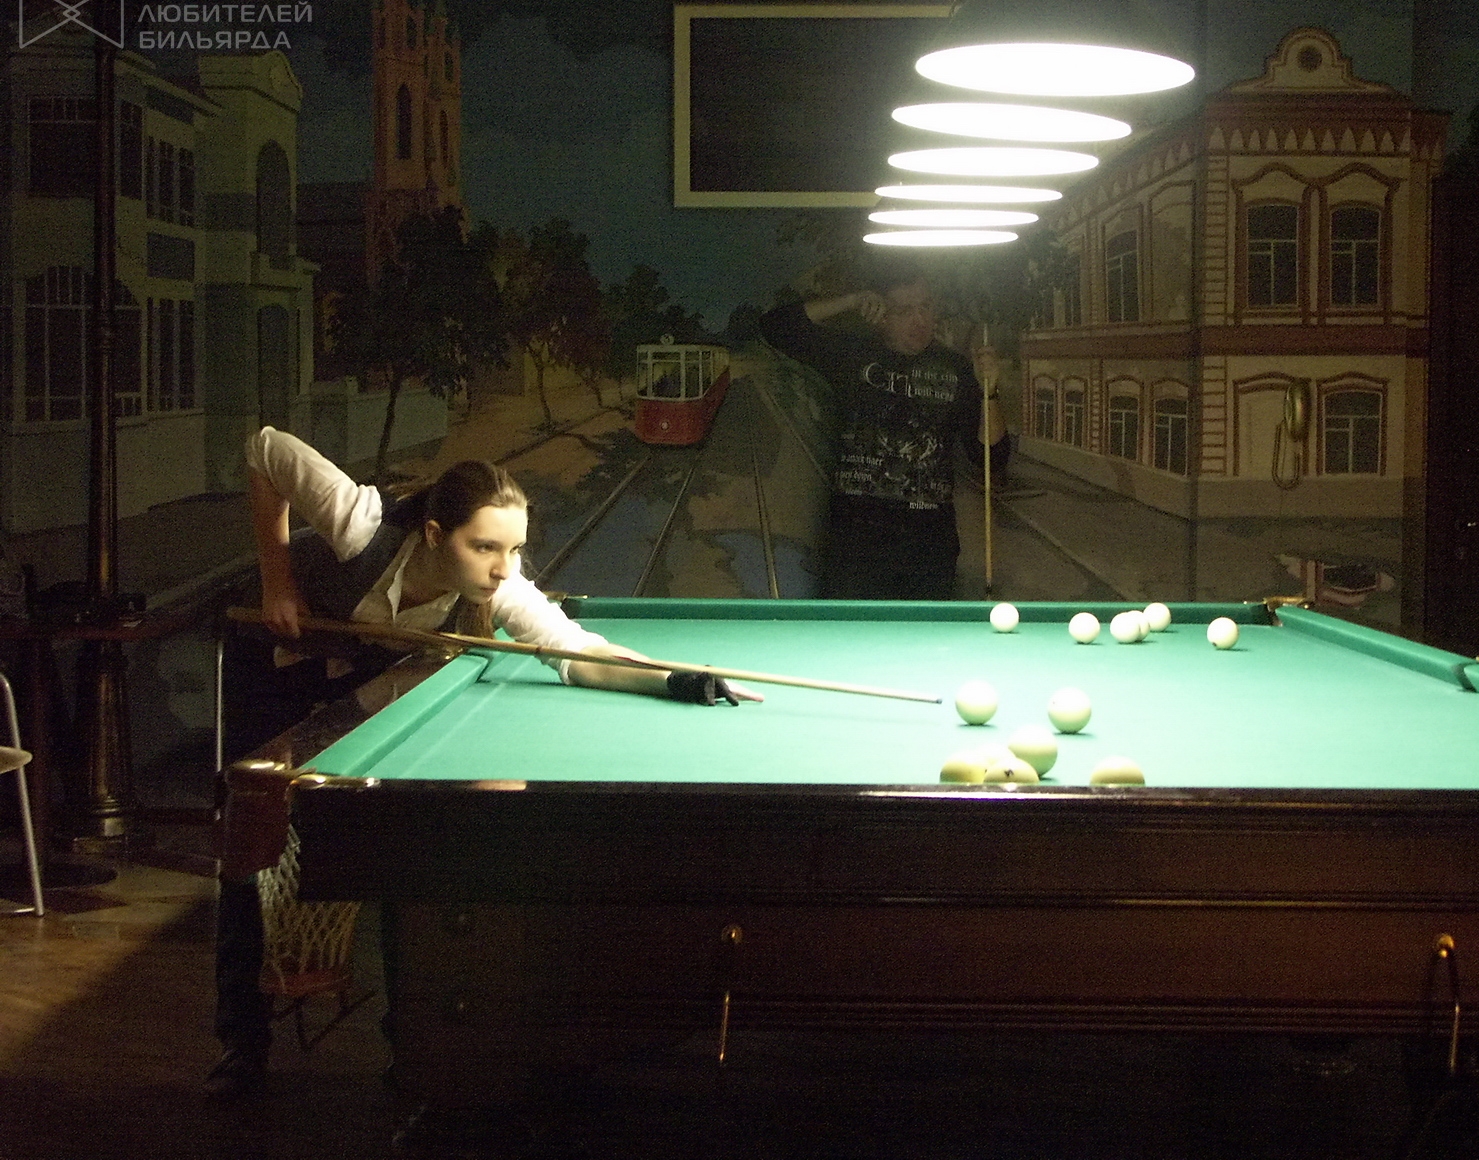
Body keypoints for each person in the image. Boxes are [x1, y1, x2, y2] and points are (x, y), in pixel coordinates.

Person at [206, 426, 758, 1100]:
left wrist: (675, 679)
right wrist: (278, 582)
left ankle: (407, 1048)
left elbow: (579, 653)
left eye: (515, 549)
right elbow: (265, 449)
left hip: (357, 675)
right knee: (252, 840)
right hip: (272, 653)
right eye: (486, 547)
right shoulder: (361, 523)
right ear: (435, 535)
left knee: (391, 844)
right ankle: (241, 1045)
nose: (503, 568)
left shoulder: (502, 591)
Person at [760, 262, 1011, 599]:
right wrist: (851, 300)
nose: (920, 320)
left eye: (925, 306)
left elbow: (991, 457)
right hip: (857, 537)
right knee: (851, 631)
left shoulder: (957, 368)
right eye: (905, 311)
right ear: (880, 316)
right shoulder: (852, 354)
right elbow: (776, 326)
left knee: (921, 633)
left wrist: (989, 393)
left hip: (929, 542)